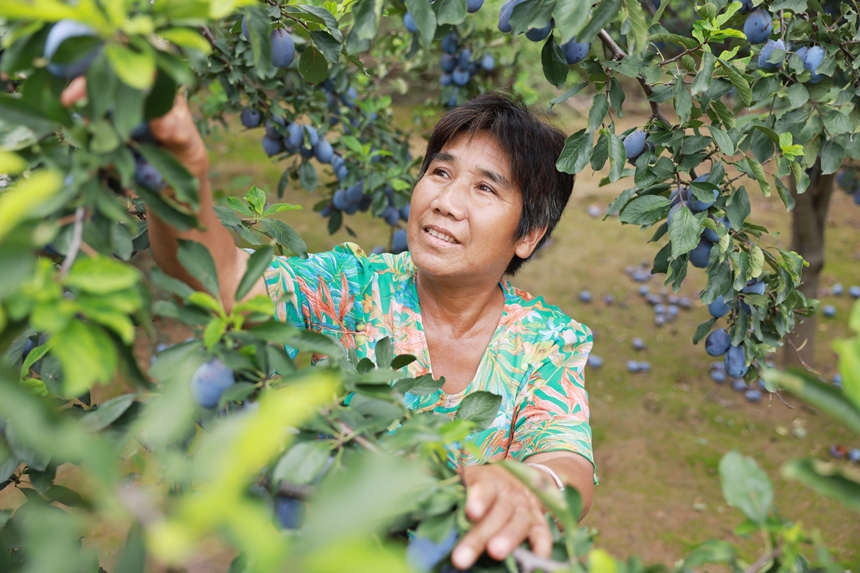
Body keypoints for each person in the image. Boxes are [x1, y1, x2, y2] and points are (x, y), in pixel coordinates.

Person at [62, 82, 595, 571]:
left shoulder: (547, 339)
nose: (445, 202)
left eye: (485, 189)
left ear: (529, 234)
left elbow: (567, 464)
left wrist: (527, 485)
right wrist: (180, 169)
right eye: (440, 171)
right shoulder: (355, 288)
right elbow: (223, 284)